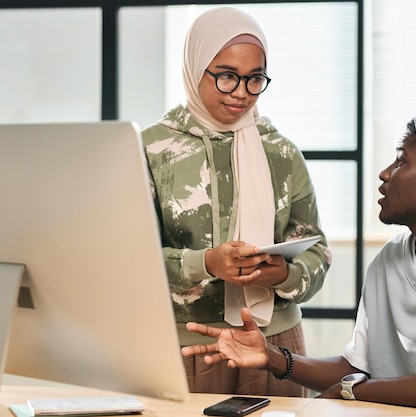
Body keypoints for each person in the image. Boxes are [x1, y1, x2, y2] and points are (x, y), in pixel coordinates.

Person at [180, 111, 416, 412]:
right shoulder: (390, 259)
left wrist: (354, 391)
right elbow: (354, 367)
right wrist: (273, 358)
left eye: (401, 160)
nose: (384, 173)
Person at [141, 7, 331, 397]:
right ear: (196, 68)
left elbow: (318, 254)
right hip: (182, 345)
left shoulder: (282, 152)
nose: (242, 92)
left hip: (275, 347)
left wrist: (282, 275)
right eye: (227, 76)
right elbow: (126, 259)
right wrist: (206, 263)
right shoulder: (152, 149)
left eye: (255, 78)